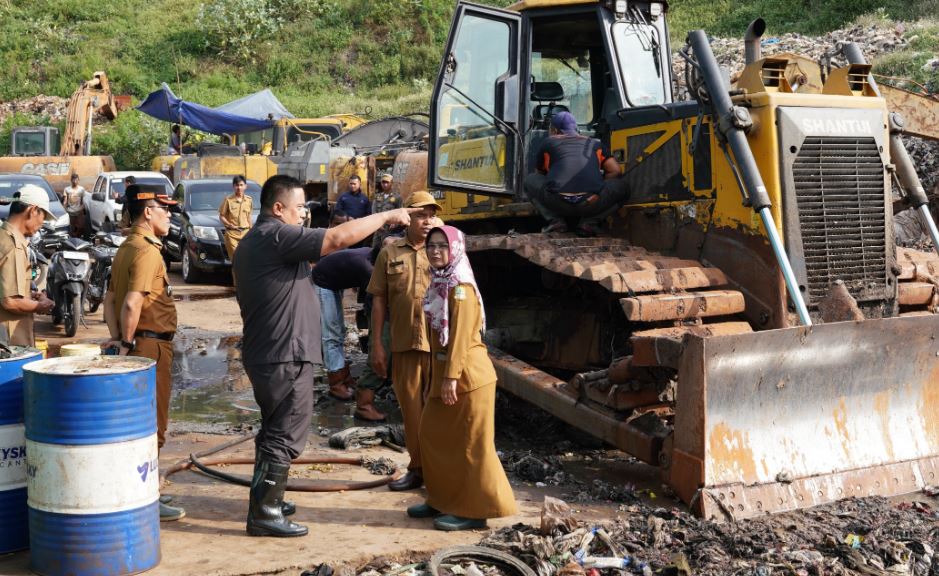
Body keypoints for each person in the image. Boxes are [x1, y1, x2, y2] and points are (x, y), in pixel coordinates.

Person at [234, 175, 418, 538]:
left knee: (274, 428)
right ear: (278, 208)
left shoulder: (262, 241)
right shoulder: (275, 235)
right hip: (283, 353)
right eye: (300, 207)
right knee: (285, 432)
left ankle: (270, 499)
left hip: (274, 351)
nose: (303, 215)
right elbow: (336, 239)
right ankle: (265, 513)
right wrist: (388, 215)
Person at [406, 225, 516, 531]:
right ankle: (441, 499)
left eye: (443, 245)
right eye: (431, 246)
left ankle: (475, 510)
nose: (436, 251)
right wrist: (436, 376)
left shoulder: (460, 287)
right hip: (447, 375)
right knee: (432, 435)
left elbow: (461, 339)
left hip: (468, 378)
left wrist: (450, 377)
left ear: (455, 249)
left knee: (471, 445)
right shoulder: (439, 283)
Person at [102, 184, 185, 522]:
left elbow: (110, 301)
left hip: (136, 343)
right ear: (148, 212)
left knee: (135, 424)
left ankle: (139, 493)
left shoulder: (126, 247)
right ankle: (148, 496)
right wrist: (128, 342)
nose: (169, 215)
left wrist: (119, 338)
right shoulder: (149, 251)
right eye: (164, 209)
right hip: (151, 346)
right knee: (154, 427)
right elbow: (133, 302)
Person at [366, 190, 442, 492]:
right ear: (407, 217)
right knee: (411, 412)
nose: (427, 221)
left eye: (431, 215)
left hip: (439, 347)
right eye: (421, 215)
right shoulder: (390, 253)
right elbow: (379, 302)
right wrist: (378, 346)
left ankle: (440, 472)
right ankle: (418, 469)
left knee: (438, 412)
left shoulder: (442, 250)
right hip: (404, 345)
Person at [524, 111, 627, 236]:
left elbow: (539, 174)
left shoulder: (548, 143)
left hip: (557, 202)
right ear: (576, 128)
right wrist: (600, 187)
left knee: (529, 180)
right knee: (623, 188)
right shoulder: (595, 144)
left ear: (554, 130)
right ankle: (589, 223)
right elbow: (615, 170)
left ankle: (555, 221)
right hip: (590, 203)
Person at [311, 246, 373, 401]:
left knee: (340, 331)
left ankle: (344, 376)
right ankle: (336, 383)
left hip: (333, 278)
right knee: (332, 333)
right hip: (321, 280)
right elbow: (371, 300)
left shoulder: (372, 255)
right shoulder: (367, 266)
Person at [0, 185, 56, 346]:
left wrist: (29, 296)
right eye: (43, 217)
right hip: (9, 342)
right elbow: (10, 301)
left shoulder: (2, 236)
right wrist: (40, 305)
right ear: (33, 210)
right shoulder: (13, 246)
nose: (42, 223)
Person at [218, 175, 254, 263]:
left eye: (241, 185)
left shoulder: (249, 200)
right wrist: (229, 224)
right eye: (237, 185)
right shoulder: (228, 200)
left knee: (246, 260)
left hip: (245, 233)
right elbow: (221, 215)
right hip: (232, 234)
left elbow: (249, 216)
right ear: (233, 186)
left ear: (245, 186)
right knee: (236, 259)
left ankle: (243, 276)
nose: (239, 187)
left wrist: (252, 231)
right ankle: (238, 276)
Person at [62, 173, 87, 237]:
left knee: (81, 226)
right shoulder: (67, 189)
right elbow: (65, 201)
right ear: (71, 180)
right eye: (73, 180)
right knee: (71, 228)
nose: (75, 181)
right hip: (70, 212)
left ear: (79, 180)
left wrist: (83, 209)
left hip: (79, 211)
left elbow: (83, 200)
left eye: (76, 180)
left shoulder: (81, 189)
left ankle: (77, 236)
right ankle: (73, 238)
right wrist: (64, 210)